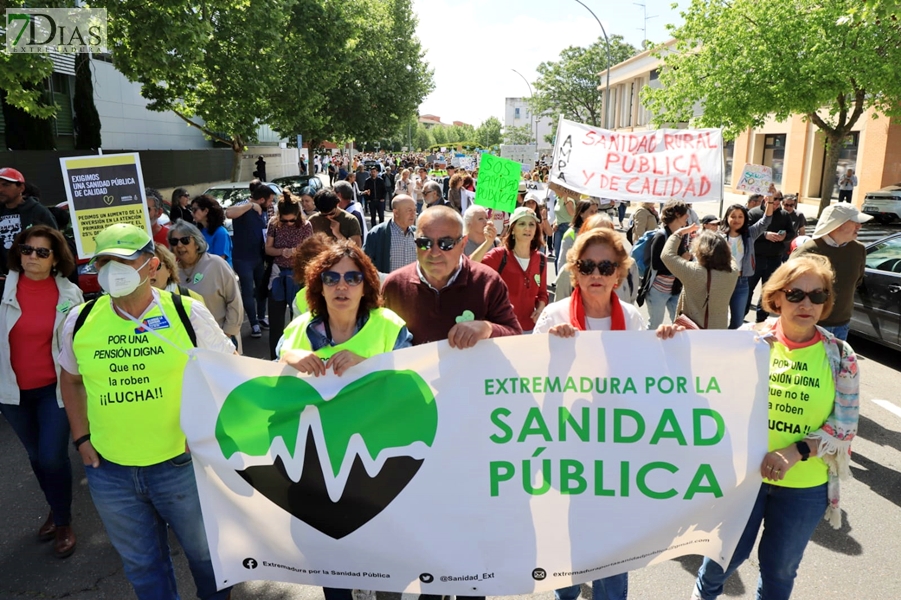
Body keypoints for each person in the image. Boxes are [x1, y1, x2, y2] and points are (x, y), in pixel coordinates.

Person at [58, 223, 235, 600]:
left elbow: (230, 372)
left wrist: (206, 428)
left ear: (151, 265)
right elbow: (71, 380)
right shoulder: (80, 320)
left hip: (180, 466)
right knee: (142, 565)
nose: (111, 269)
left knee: (207, 557)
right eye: (103, 261)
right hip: (109, 471)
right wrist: (82, 438)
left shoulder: (187, 312)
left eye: (123, 259)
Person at [690, 255, 859, 600]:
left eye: (818, 295)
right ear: (777, 296)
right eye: (796, 294)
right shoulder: (748, 339)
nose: (806, 304)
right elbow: (708, 399)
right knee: (720, 563)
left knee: (779, 573)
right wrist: (689, 346)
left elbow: (844, 429)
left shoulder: (840, 355)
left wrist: (797, 451)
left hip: (804, 488)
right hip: (742, 481)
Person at [535, 227, 682, 600]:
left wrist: (666, 345)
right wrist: (551, 353)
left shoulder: (633, 320)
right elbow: (528, 385)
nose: (596, 274)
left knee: (614, 549)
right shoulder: (553, 316)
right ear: (574, 272)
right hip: (568, 450)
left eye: (605, 266)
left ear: (619, 273)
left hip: (618, 455)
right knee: (568, 542)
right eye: (587, 266)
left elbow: (648, 383)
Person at [0, 226, 82, 558]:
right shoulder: (3, 290)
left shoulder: (69, 294)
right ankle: (55, 505)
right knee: (36, 458)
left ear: (55, 259)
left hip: (55, 390)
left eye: (41, 252)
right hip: (13, 393)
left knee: (51, 456)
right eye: (26, 249)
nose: (32, 256)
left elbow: (79, 343)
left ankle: (63, 521)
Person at [382, 205, 521, 345]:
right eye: (425, 243)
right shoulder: (395, 285)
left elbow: (515, 335)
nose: (435, 252)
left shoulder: (488, 282)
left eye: (446, 243)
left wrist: (488, 329)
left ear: (462, 244)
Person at [278, 241, 412, 378]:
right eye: (331, 278)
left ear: (365, 288)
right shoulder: (296, 329)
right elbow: (264, 390)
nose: (341, 286)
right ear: (321, 288)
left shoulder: (390, 327)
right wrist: (283, 363)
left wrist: (366, 366)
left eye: (353, 278)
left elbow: (409, 384)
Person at [790, 204, 870, 341]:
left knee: (835, 363)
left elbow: (857, 281)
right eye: (855, 222)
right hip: (810, 325)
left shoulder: (859, 250)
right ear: (838, 225)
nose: (859, 226)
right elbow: (788, 289)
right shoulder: (807, 252)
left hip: (842, 325)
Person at [169, 220, 243, 349]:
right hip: (189, 346)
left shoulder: (217, 264)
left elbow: (234, 301)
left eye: (185, 240)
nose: (179, 245)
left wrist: (226, 335)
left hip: (222, 339)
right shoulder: (171, 272)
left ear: (197, 243)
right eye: (174, 242)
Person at [481, 207, 549, 333]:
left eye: (531, 224)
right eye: (522, 223)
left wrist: (540, 309)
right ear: (512, 229)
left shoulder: (541, 259)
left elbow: (543, 294)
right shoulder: (499, 255)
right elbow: (469, 267)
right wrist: (487, 243)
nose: (527, 228)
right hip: (502, 329)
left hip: (531, 330)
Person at [265, 193, 313, 359]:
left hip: (297, 275)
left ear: (298, 216)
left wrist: (297, 253)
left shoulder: (306, 226)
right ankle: (274, 359)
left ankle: (296, 357)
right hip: (277, 274)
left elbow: (310, 252)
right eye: (284, 220)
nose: (287, 223)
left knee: (297, 322)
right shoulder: (273, 224)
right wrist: (282, 252)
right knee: (276, 322)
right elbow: (268, 248)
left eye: (291, 220)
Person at [661, 227, 739, 329]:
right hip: (718, 330)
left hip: (690, 329)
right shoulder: (732, 272)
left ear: (700, 251)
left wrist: (678, 233)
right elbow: (732, 259)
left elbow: (667, 255)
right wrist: (721, 244)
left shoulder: (692, 271)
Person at [554, 214, 639, 305]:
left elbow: (631, 299)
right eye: (587, 268)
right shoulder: (570, 270)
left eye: (606, 235)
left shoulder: (629, 266)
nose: (596, 275)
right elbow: (559, 305)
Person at [226, 184, 273, 338]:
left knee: (261, 289)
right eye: (269, 201)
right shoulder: (244, 205)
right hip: (243, 258)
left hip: (259, 257)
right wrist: (251, 205)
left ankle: (261, 317)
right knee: (247, 290)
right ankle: (253, 323)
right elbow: (229, 213)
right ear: (261, 199)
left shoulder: (265, 210)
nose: (271, 204)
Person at [720, 201, 775, 329]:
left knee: (738, 321)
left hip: (741, 282)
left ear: (745, 219)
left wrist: (770, 201)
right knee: (719, 319)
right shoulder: (719, 237)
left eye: (740, 216)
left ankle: (732, 346)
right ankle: (719, 345)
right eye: (733, 216)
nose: (736, 219)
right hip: (721, 282)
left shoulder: (750, 234)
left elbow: (765, 221)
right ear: (727, 218)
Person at [747, 191, 796, 322]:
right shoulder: (754, 213)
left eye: (778, 201)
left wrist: (785, 236)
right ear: (766, 199)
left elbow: (792, 233)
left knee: (768, 291)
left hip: (774, 258)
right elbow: (746, 233)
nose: (776, 204)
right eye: (773, 201)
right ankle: (741, 315)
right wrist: (764, 235)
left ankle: (761, 319)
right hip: (756, 258)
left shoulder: (784, 215)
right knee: (748, 288)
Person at [0, 168, 58, 275]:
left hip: (34, 275)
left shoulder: (38, 211)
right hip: (5, 278)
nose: (1, 189)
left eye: (5, 185)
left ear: (21, 188)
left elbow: (56, 243)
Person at [646, 200, 691, 328]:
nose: (687, 216)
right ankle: (648, 348)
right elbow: (656, 265)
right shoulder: (661, 236)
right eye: (685, 213)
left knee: (680, 324)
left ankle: (676, 348)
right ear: (677, 214)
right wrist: (679, 260)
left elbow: (681, 260)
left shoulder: (680, 235)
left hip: (675, 288)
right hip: (658, 290)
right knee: (654, 325)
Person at [362, 195, 417, 274]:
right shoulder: (378, 234)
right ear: (396, 213)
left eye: (415, 210)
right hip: (387, 284)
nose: (413, 214)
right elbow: (364, 262)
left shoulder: (417, 234)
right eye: (409, 210)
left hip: (412, 285)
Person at [191, 194, 233, 267]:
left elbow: (219, 262)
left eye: (195, 210)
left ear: (206, 211)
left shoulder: (221, 233)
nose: (192, 213)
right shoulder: (198, 231)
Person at [553, 193, 577, 269]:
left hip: (568, 228)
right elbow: (558, 214)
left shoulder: (569, 199)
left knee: (565, 256)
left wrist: (566, 200)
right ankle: (557, 278)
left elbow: (572, 213)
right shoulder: (557, 199)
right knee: (557, 255)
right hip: (558, 228)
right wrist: (555, 222)